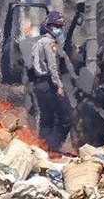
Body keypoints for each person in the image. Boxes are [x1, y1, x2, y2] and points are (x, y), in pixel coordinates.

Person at [30, 11, 72, 149]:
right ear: (48, 26)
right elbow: (52, 66)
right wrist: (59, 85)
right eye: (57, 26)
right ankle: (52, 147)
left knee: (46, 119)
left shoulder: (37, 43)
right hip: (49, 84)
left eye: (61, 26)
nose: (59, 29)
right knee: (66, 117)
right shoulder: (49, 43)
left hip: (38, 84)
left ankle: (42, 148)